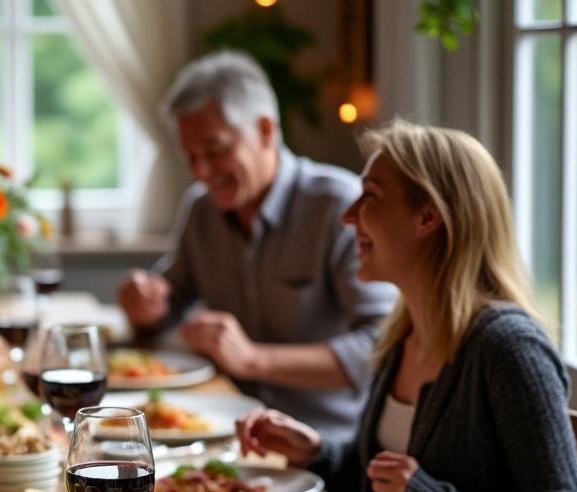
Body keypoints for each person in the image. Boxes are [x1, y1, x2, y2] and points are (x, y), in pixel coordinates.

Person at [237, 120, 577, 492]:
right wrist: (320, 451)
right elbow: (385, 480)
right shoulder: (402, 332)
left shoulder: (508, 350)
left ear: (428, 218)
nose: (350, 217)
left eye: (370, 198)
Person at [117, 51, 396, 439]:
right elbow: (169, 302)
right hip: (218, 431)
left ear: (265, 130)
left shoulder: (339, 207)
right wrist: (147, 305)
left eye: (215, 151)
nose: (202, 171)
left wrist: (253, 359)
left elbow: (382, 344)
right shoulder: (201, 209)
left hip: (323, 447)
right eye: (191, 156)